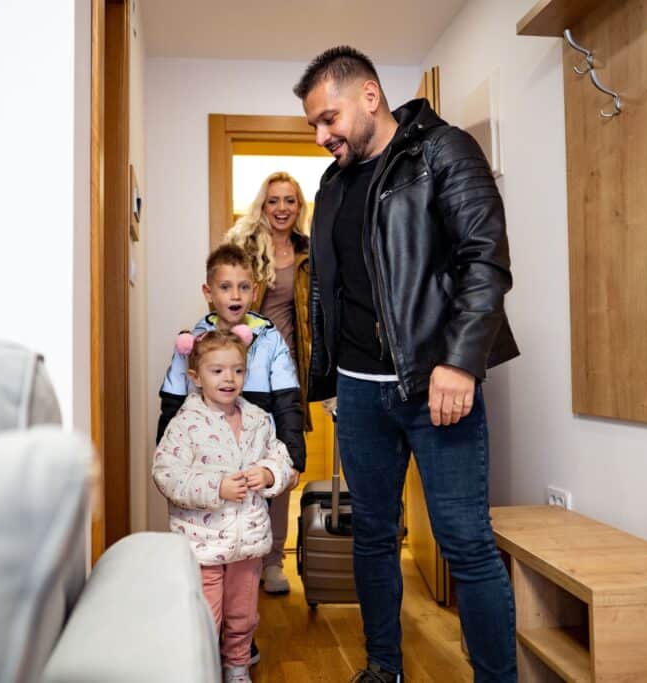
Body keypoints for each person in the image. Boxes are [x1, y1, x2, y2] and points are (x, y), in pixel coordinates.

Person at [294, 46, 520, 682]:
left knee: (464, 543)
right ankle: (383, 667)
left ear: (370, 96)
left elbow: (485, 260)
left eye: (328, 118)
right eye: (313, 124)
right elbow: (331, 291)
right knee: (370, 535)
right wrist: (336, 375)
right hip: (361, 394)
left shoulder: (443, 151)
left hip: (436, 385)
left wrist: (460, 362)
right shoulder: (332, 186)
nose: (321, 136)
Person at [156, 243, 307, 668]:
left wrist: (290, 458)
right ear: (210, 292)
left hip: (254, 436)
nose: (235, 295)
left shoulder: (268, 339)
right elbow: (172, 406)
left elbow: (289, 399)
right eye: (226, 286)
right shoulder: (191, 343)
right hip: (206, 454)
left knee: (247, 562)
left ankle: (237, 651)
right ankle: (209, 654)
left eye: (243, 286)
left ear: (254, 290)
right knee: (208, 591)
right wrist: (170, 464)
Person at [224, 171, 311, 595]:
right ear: (263, 204)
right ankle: (242, 559)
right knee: (240, 461)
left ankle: (274, 561)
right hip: (243, 370)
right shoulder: (243, 247)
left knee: (283, 464)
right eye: (274, 200)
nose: (281, 209)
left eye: (289, 201)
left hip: (287, 372)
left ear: (299, 207)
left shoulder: (309, 254)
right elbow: (225, 299)